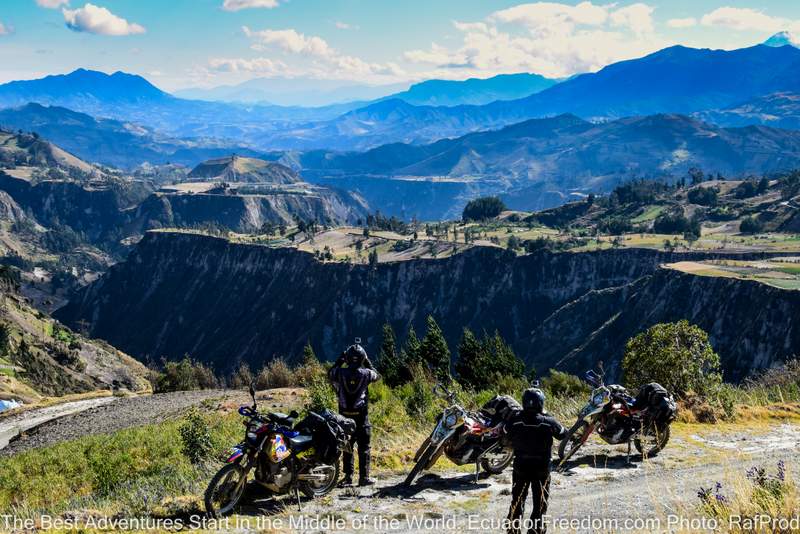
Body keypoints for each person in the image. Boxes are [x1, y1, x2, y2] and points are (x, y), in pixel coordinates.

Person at [503, 387, 566, 534]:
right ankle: (536, 530)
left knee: (517, 500)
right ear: (541, 403)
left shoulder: (515, 420)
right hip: (542, 468)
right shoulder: (548, 421)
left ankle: (513, 530)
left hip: (521, 466)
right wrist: (549, 417)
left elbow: (505, 434)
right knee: (540, 502)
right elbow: (563, 434)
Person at [328, 341, 380, 486]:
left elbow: (330, 372)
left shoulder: (339, 373)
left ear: (348, 358)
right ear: (362, 358)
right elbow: (377, 375)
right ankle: (364, 477)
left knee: (347, 447)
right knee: (364, 447)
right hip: (362, 417)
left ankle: (348, 477)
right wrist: (367, 361)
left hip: (344, 417)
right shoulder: (367, 374)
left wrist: (340, 359)